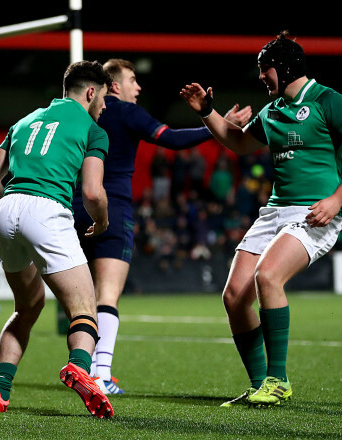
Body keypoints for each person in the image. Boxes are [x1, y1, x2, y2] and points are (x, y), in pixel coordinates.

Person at [180, 31, 342, 407]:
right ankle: (261, 386)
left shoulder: (327, 100)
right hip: (274, 213)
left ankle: (278, 379)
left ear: (285, 67)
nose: (260, 77)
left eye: (264, 69)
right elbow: (238, 142)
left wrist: (337, 200)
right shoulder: (273, 111)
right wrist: (206, 111)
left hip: (313, 214)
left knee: (267, 277)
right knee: (235, 296)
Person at [72, 58, 253, 395]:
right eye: (132, 80)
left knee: (81, 301)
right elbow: (171, 139)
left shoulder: (79, 113)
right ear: (114, 85)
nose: (137, 87)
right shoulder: (126, 112)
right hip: (112, 210)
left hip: (74, 210)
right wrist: (217, 125)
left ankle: (81, 367)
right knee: (107, 296)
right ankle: (100, 375)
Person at [0, 60, 114, 418]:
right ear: (90, 92)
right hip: (47, 209)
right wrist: (101, 222)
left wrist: (14, 212)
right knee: (85, 308)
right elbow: (92, 192)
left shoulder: (24, 121)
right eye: (103, 98)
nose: (104, 106)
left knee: (27, 307)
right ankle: (79, 368)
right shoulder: (92, 129)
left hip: (5, 209)